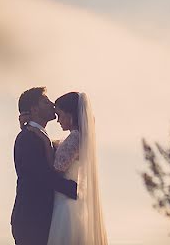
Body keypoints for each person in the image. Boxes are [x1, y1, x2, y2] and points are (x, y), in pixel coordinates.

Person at [11, 87, 78, 245]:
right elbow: (41, 175)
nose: (52, 104)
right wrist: (75, 189)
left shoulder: (38, 136)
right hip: (31, 221)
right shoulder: (27, 138)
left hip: (45, 219)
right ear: (34, 109)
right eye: (45, 101)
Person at [46, 91, 109, 245]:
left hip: (65, 206)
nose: (58, 120)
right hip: (73, 203)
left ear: (70, 115)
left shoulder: (74, 137)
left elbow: (57, 169)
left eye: (60, 115)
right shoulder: (80, 137)